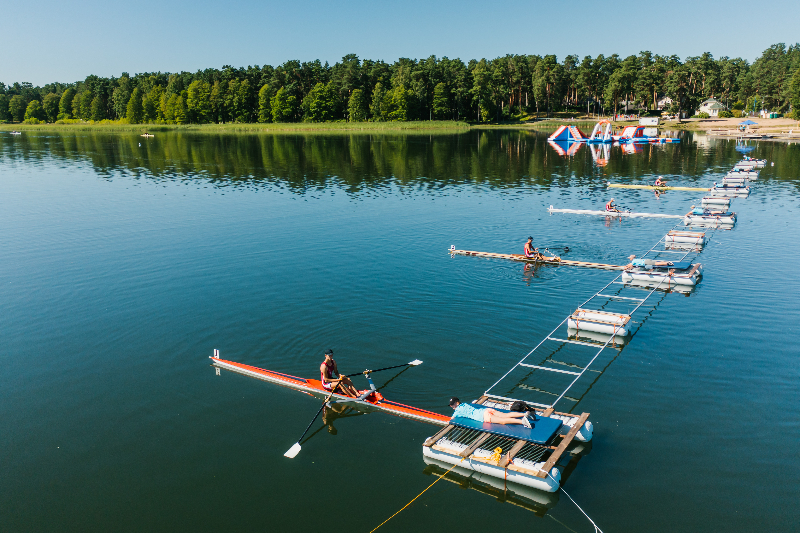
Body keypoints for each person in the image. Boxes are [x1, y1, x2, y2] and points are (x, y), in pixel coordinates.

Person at [449, 398, 532, 428]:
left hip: (483, 416)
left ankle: (522, 421)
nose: (451, 406)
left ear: (457, 403)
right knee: (505, 415)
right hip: (486, 410)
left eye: (452, 404)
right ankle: (525, 414)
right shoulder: (464, 404)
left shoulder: (457, 411)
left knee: (503, 421)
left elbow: (451, 419)